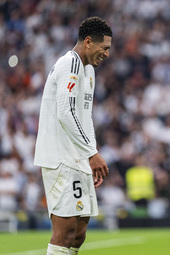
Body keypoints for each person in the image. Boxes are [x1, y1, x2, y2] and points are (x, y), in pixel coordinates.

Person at [34, 17, 111, 255]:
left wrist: (90, 155)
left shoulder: (88, 70)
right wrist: (92, 153)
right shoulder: (71, 64)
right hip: (61, 158)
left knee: (78, 234)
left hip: (78, 158)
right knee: (65, 232)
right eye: (104, 48)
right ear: (88, 41)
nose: (107, 54)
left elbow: (84, 116)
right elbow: (65, 113)